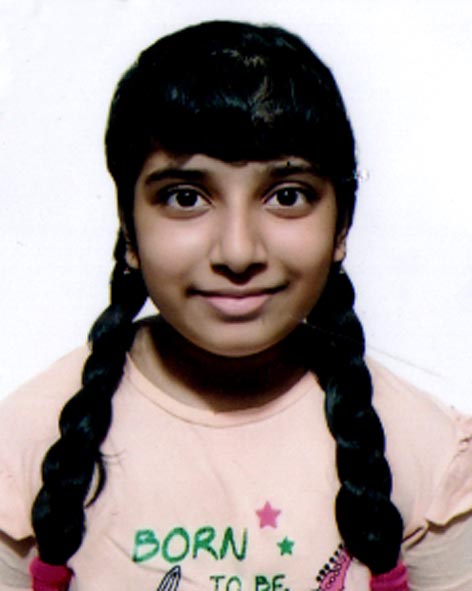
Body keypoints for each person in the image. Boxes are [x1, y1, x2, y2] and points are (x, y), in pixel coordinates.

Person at [0, 19, 471, 591]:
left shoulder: (428, 452)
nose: (239, 251)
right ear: (129, 229)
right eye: (185, 197)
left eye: (287, 195)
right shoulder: (21, 445)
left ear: (342, 224)